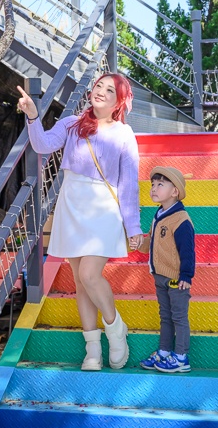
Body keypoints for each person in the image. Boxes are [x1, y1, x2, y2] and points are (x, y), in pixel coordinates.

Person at [16, 73, 142, 371]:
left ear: (119, 101)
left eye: (109, 90)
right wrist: (33, 117)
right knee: (80, 283)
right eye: (99, 86)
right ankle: (93, 351)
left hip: (102, 207)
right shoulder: (73, 123)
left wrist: (133, 226)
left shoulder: (124, 134)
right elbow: (43, 145)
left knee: (89, 274)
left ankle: (115, 330)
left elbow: (129, 184)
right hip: (71, 203)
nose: (100, 91)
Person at [137, 166, 195, 373]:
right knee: (165, 316)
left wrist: (186, 275)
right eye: (153, 184)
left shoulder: (181, 220)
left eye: (160, 184)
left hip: (176, 279)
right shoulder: (159, 214)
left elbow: (187, 250)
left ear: (174, 192)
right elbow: (151, 243)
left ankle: (180, 357)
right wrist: (137, 244)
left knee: (179, 317)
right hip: (160, 276)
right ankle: (164, 352)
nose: (153, 188)